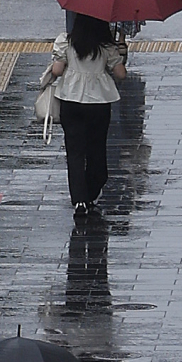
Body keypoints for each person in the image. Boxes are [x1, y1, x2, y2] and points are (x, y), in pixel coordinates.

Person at [49, 14, 128, 217]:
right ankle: (92, 192)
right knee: (96, 148)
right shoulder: (106, 46)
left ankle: (79, 200)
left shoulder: (66, 41)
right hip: (99, 102)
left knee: (75, 152)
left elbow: (57, 71)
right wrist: (121, 53)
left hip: (70, 100)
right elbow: (121, 74)